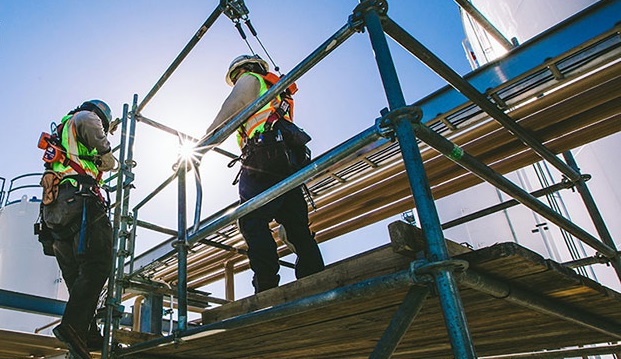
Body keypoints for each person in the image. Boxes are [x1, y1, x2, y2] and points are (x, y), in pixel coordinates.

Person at [206, 55, 325, 293]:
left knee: (251, 219)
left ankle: (266, 286)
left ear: (241, 70)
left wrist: (200, 147)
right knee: (295, 224)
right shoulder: (277, 92)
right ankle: (314, 279)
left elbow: (229, 110)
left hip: (263, 157)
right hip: (289, 160)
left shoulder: (249, 79)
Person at [39, 100, 116, 359]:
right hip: (79, 199)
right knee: (99, 262)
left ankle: (87, 333)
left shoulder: (62, 133)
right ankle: (73, 326)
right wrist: (106, 153)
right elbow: (88, 121)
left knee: (76, 275)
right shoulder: (84, 118)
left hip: (55, 210)